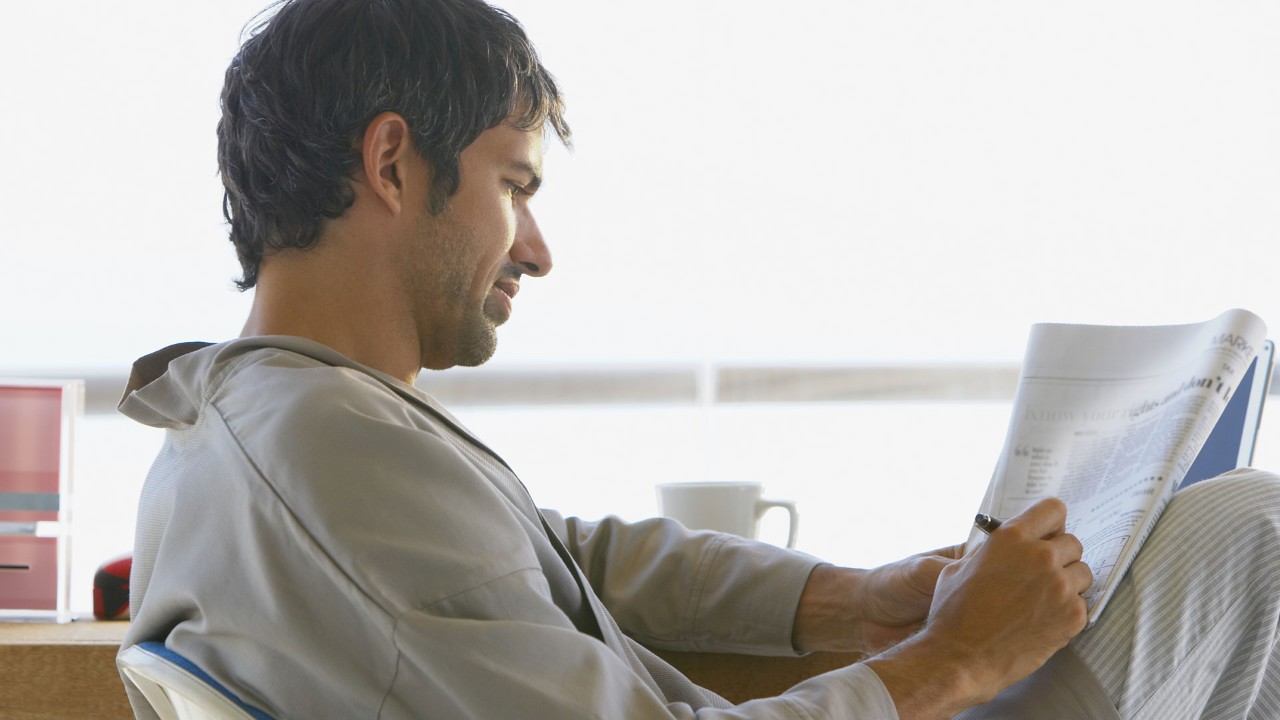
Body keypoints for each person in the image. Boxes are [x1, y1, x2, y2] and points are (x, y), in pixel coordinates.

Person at [117, 0, 1280, 717]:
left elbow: (559, 553)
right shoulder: (329, 452)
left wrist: (855, 598)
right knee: (1247, 537)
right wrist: (952, 660)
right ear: (391, 163)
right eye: (514, 185)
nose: (536, 248)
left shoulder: (256, 427)